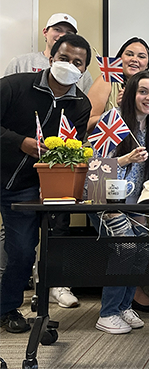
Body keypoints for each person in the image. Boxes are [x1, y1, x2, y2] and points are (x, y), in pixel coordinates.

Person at [0, 34, 92, 333]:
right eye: (64, 58)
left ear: (84, 70)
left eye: (77, 62)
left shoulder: (81, 104)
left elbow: (72, 148)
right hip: (2, 169)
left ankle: (7, 308)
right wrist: (20, 143)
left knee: (24, 251)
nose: (69, 65)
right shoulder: (14, 86)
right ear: (51, 58)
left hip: (27, 188)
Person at [93, 71, 149, 334]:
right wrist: (125, 160)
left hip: (135, 202)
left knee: (142, 250)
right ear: (131, 93)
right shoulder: (113, 120)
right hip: (107, 199)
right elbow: (94, 166)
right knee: (125, 248)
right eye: (143, 92)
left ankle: (124, 306)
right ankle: (108, 312)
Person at [4, 13, 93, 94]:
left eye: (69, 33)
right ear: (45, 32)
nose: (62, 35)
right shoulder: (20, 63)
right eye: (57, 30)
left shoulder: (81, 73)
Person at [87, 37, 149, 133]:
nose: (134, 59)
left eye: (141, 56)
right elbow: (89, 124)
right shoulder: (106, 80)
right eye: (129, 54)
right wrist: (120, 111)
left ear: (148, 64)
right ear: (120, 58)